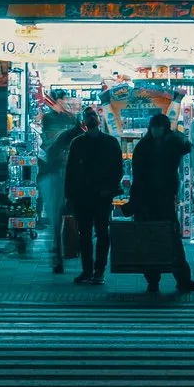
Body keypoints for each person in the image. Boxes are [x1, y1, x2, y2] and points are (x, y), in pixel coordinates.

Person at [128, 111, 194, 293]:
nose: (156, 130)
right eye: (155, 127)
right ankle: (170, 279)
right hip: (153, 200)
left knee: (159, 238)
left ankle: (161, 280)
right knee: (166, 238)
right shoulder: (152, 146)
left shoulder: (152, 146)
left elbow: (184, 146)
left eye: (159, 127)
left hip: (158, 200)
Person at [62, 109, 123, 285]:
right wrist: (70, 195)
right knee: (85, 234)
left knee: (101, 233)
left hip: (101, 195)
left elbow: (117, 168)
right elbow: (71, 171)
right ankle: (88, 271)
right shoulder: (78, 143)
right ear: (84, 121)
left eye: (93, 115)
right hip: (83, 196)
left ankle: (98, 271)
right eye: (87, 116)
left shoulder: (109, 142)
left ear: (97, 119)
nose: (91, 118)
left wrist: (109, 189)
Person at [44, 106, 83, 273]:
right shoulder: (77, 138)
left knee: (58, 224)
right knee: (70, 223)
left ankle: (60, 258)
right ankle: (64, 257)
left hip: (63, 184)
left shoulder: (64, 139)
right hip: (67, 185)